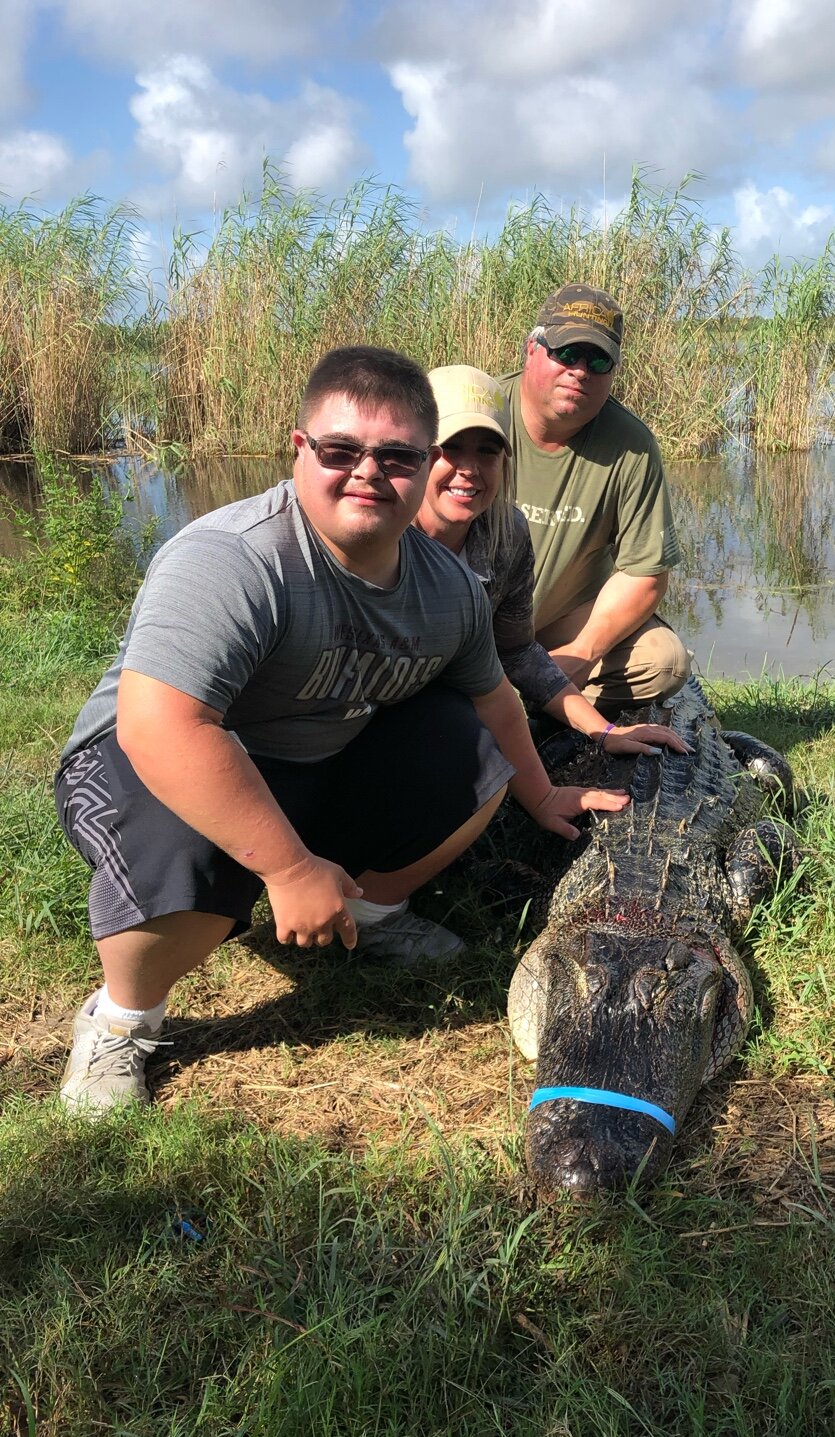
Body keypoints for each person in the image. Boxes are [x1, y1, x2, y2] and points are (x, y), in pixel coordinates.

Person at [54, 345, 630, 1116]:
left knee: (472, 743)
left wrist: (542, 793)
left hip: (312, 759)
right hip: (136, 760)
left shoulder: (450, 587)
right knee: (195, 853)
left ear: (422, 465)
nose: (367, 472)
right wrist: (288, 870)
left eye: (395, 457)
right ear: (301, 450)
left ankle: (372, 908)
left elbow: (495, 699)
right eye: (340, 450)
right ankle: (124, 1017)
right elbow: (163, 728)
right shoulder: (233, 559)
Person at [415, 364, 690, 756]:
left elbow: (518, 652)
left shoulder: (507, 532)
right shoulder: (382, 532)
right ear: (416, 452)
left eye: (488, 451)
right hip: (373, 710)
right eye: (451, 448)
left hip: (477, 682)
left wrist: (604, 732)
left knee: (483, 761)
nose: (470, 469)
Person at [500, 283, 692, 711]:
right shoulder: (484, 417)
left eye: (598, 359)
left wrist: (581, 654)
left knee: (665, 663)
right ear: (532, 349)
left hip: (558, 623)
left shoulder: (632, 445)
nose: (580, 370)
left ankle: (546, 699)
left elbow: (644, 574)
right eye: (566, 353)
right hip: (476, 621)